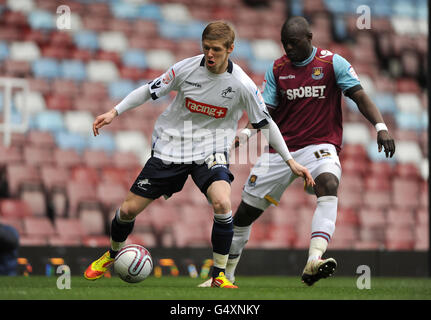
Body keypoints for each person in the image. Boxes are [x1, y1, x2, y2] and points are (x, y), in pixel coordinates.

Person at [84, 21, 315, 288]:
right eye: (206, 48)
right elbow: (148, 90)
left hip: (212, 150)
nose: (210, 55)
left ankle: (218, 275)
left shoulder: (242, 85)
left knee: (222, 203)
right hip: (173, 146)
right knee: (127, 210)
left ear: (231, 48)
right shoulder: (186, 68)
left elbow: (267, 124)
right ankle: (112, 254)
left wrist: (290, 161)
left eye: (216, 49)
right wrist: (114, 112)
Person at [199, 16, 396, 287]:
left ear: (309, 38)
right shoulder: (278, 69)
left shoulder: (331, 63)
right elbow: (264, 110)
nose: (288, 49)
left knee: (328, 183)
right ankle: (225, 276)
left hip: (320, 145)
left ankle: (314, 259)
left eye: (293, 43)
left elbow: (359, 95)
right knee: (244, 214)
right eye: (284, 44)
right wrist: (245, 133)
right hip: (281, 151)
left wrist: (381, 127)